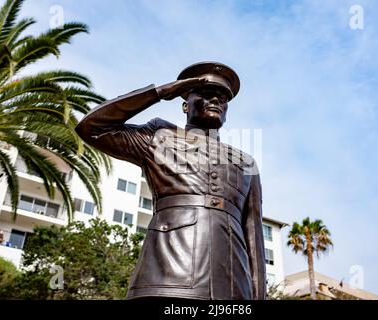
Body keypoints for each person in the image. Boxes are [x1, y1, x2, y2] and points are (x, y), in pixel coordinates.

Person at [75, 61, 266, 300]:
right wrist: (161, 92)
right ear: (185, 104)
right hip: (167, 277)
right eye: (206, 94)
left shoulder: (245, 161)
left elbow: (255, 244)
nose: (216, 101)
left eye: (223, 98)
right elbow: (92, 128)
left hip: (233, 287)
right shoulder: (158, 136)